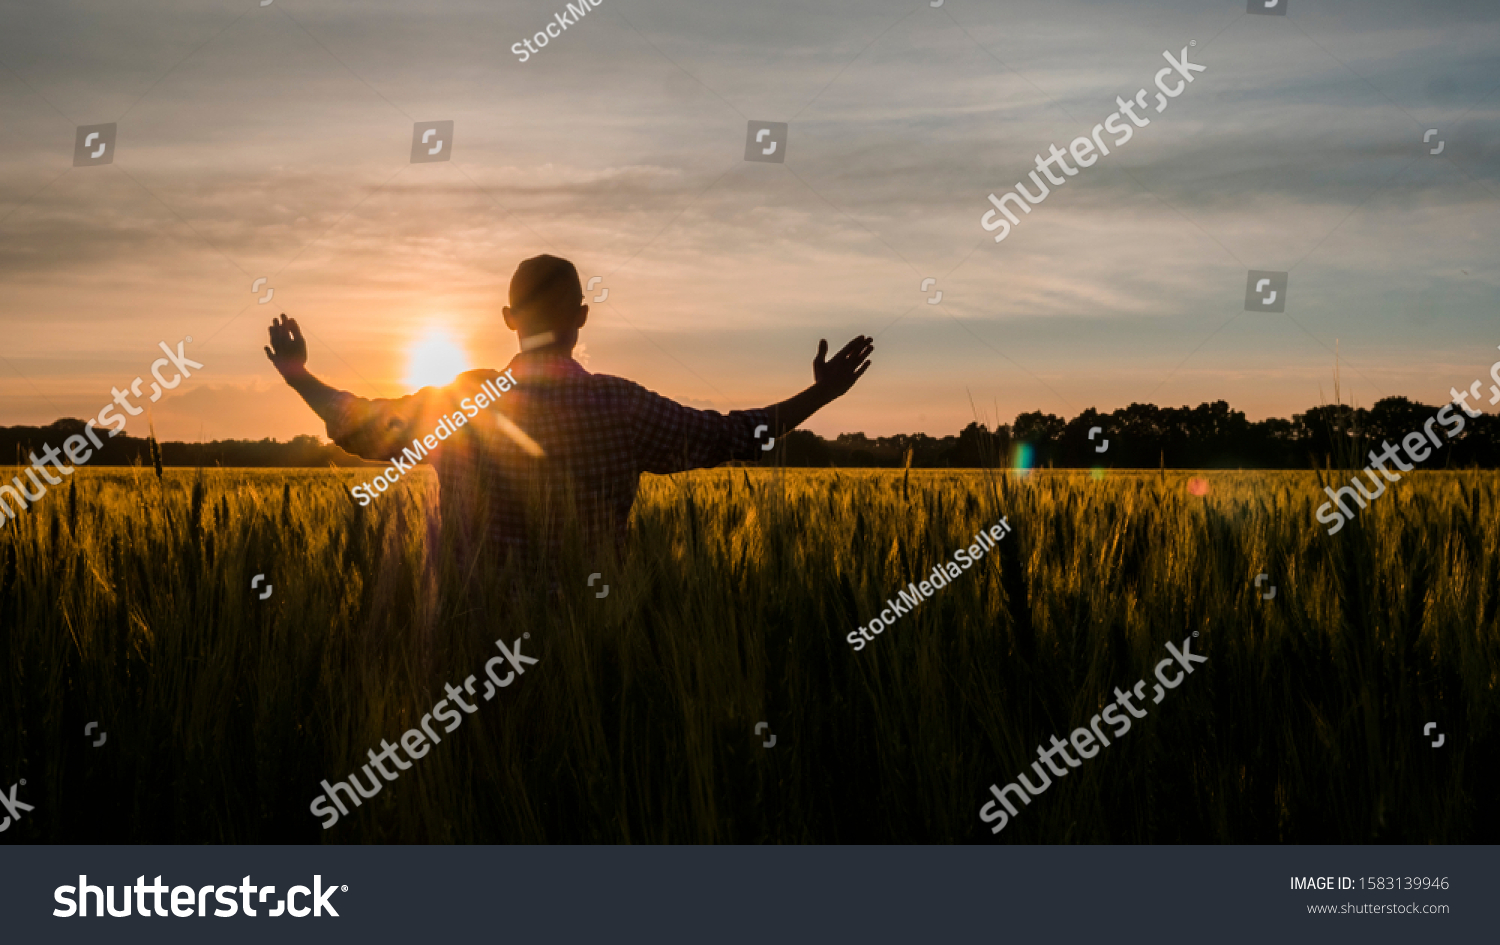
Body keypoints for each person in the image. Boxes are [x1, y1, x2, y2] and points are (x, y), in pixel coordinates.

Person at [265, 254, 873, 564]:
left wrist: (301, 378)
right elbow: (740, 436)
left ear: (508, 321)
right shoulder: (623, 405)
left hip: (471, 655)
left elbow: (359, 425)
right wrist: (821, 394)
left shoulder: (465, 404)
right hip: (596, 651)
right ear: (581, 319)